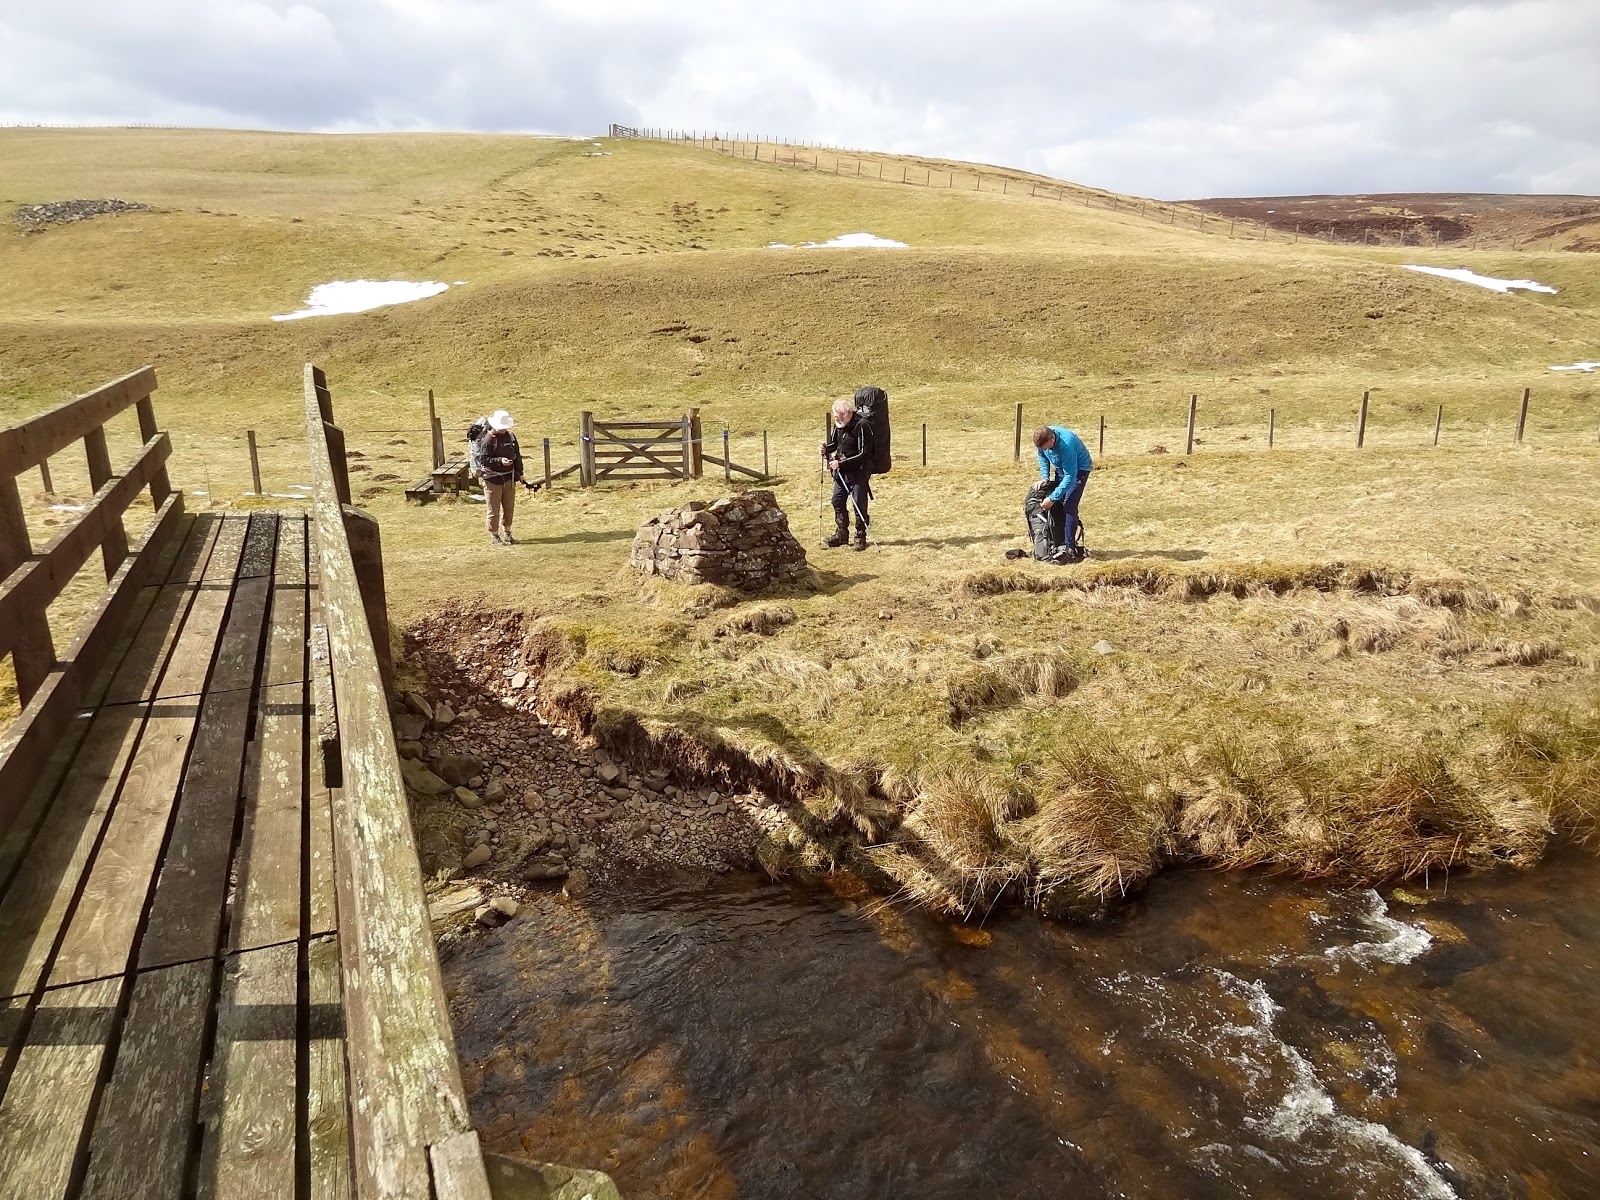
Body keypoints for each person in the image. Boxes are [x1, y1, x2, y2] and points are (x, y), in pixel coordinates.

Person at [1029, 424, 1092, 562]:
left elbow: (1070, 476)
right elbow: (1042, 456)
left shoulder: (1066, 444)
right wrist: (1045, 478)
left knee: (1069, 504)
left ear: (1052, 439)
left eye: (1046, 447)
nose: (1045, 450)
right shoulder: (1044, 440)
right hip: (1062, 469)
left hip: (1079, 470)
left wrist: (1052, 498)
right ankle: (1058, 543)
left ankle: (1069, 549)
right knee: (1060, 504)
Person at [820, 396, 874, 550]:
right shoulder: (839, 425)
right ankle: (842, 534)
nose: (836, 419)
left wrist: (841, 462)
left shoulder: (863, 425)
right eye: (835, 416)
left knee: (859, 504)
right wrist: (826, 449)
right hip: (841, 473)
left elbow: (864, 453)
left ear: (847, 414)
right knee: (837, 501)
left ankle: (860, 536)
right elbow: (834, 444)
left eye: (838, 416)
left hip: (859, 472)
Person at [470, 409, 528, 545]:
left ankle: (507, 534)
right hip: (492, 480)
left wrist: (521, 473)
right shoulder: (488, 440)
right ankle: (495, 536)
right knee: (493, 510)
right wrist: (500, 461)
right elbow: (484, 460)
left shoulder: (511, 437)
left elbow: (517, 456)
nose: (503, 430)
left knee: (509, 508)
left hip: (509, 478)